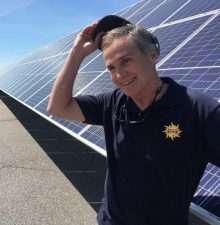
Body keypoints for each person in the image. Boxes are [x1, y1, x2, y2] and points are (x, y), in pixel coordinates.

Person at [47, 15, 220, 225]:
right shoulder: (112, 103)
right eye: (111, 68)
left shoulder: (197, 109)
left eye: (126, 61)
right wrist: (77, 53)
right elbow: (57, 107)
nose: (119, 75)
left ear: (152, 55)